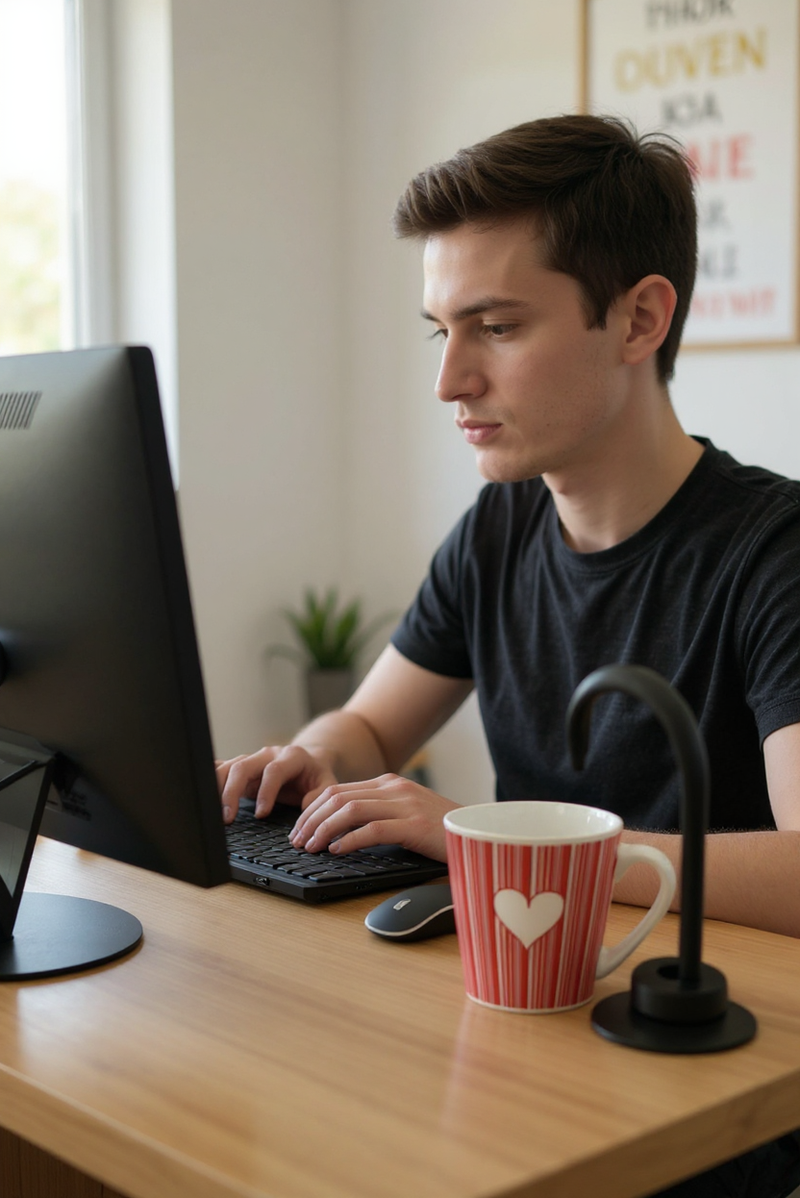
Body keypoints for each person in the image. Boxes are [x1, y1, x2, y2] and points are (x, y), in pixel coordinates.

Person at [218, 115, 800, 1196]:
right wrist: (307, 757)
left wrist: (493, 843)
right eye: (437, 331)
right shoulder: (498, 529)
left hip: (694, 1086)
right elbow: (369, 727)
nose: (448, 383)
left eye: (492, 327)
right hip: (517, 1036)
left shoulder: (772, 554)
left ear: (637, 318)